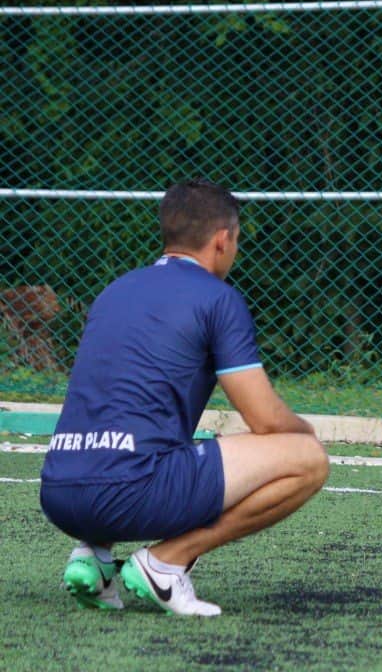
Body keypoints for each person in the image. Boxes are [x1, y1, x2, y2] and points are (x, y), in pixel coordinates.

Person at [39, 179, 330, 615]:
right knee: (307, 459)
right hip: (130, 491)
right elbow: (264, 420)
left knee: (134, 437)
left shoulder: (113, 292)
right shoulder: (218, 298)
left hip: (60, 492)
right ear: (222, 239)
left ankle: (94, 556)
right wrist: (305, 431)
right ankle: (166, 562)